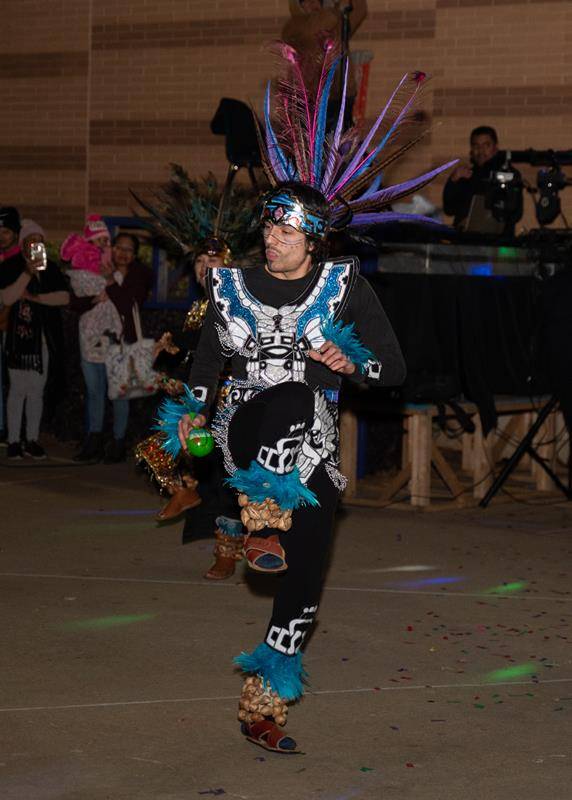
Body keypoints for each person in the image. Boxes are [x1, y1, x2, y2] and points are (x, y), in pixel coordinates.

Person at [153, 43, 454, 752]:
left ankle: (264, 703)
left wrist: (348, 357)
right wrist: (190, 421)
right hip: (241, 428)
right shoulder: (230, 287)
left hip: (310, 454)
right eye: (269, 224)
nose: (273, 236)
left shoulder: (345, 286)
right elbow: (205, 362)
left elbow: (394, 370)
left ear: (315, 239)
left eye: (287, 228)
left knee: (306, 578)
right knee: (287, 395)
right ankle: (252, 517)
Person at [0, 212, 69, 459]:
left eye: (39, 241)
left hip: (42, 342)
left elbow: (64, 297)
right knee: (17, 390)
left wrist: (36, 298)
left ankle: (32, 438)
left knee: (36, 392)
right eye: (30, 242)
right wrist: (27, 273)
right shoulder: (11, 266)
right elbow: (7, 297)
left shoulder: (50, 269)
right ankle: (14, 440)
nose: (35, 246)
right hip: (18, 341)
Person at [283, 0, 368, 129]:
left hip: (340, 94)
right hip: (311, 99)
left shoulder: (336, 22)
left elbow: (360, 11)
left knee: (342, 140)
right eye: (307, 2)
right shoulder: (294, 27)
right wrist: (333, 11)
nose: (313, 4)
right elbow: (316, 26)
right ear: (299, 6)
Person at [442, 125, 523, 234]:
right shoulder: (466, 175)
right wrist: (453, 181)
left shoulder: (508, 174)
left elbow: (516, 214)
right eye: (476, 146)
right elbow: (449, 209)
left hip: (498, 243)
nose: (480, 151)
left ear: (496, 147)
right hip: (466, 241)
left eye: (486, 145)